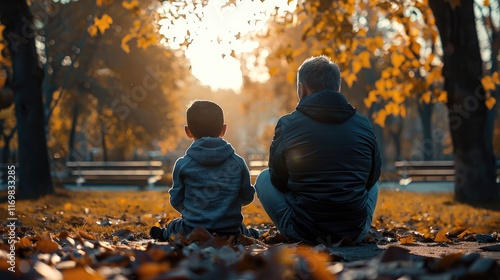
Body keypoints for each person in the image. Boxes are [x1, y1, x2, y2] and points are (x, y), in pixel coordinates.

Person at [255, 55, 381, 245]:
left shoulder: (287, 124)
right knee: (374, 183)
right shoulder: (363, 123)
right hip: (355, 231)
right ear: (337, 87)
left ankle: (300, 224)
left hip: (303, 231)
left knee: (263, 178)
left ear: (302, 88)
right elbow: (372, 177)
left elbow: (278, 180)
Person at [150, 100, 258, 241]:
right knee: (242, 229)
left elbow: (176, 199)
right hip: (230, 229)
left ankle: (164, 234)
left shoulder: (183, 165)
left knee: (174, 226)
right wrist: (226, 207)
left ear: (188, 132)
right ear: (223, 130)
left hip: (193, 228)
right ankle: (251, 234)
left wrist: (194, 213)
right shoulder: (237, 163)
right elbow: (247, 196)